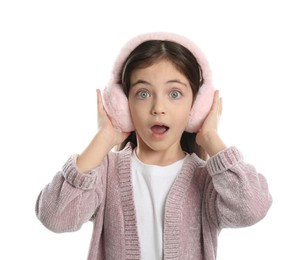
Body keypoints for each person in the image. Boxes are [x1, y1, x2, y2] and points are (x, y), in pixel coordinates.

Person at [35, 32, 272, 260]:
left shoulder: (208, 180)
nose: (158, 107)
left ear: (197, 106)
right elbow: (54, 217)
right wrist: (103, 139)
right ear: (123, 104)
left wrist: (210, 137)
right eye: (143, 93)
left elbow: (252, 208)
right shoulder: (105, 173)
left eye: (175, 93)